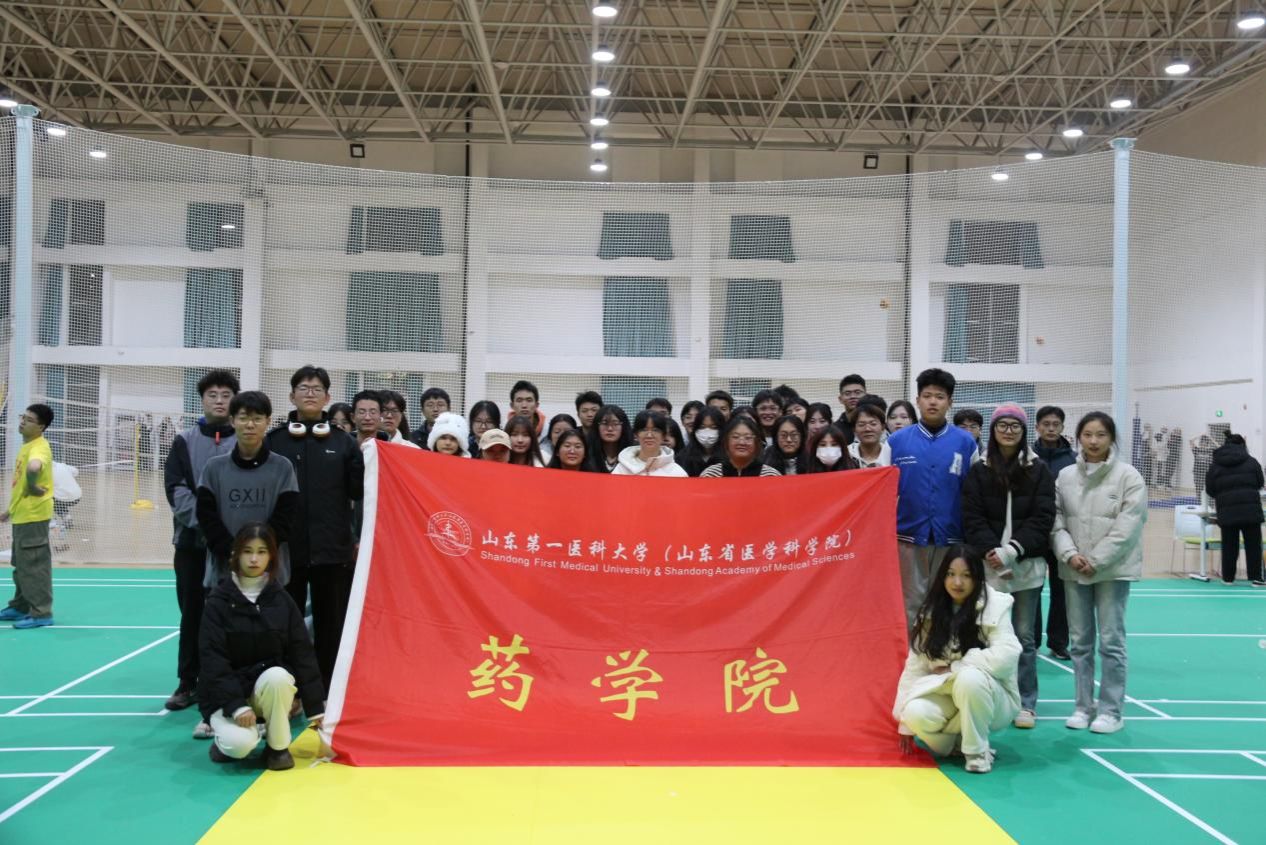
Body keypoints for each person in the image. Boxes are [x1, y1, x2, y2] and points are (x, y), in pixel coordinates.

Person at [265, 366, 365, 694]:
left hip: (332, 551)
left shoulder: (344, 443)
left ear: (328, 397)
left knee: (331, 625)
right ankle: (289, 686)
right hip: (286, 551)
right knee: (286, 622)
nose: (310, 393)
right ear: (292, 395)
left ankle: (328, 687)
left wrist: (371, 457)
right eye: (304, 388)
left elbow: (359, 491)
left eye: (317, 389)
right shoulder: (274, 442)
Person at [198, 523, 324, 771]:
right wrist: (236, 705)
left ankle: (278, 749)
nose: (254, 559)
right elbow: (213, 660)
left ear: (272, 557)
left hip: (264, 690)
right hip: (226, 697)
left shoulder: (282, 600)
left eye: (262, 552)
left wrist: (315, 707)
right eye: (247, 551)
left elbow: (302, 653)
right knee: (239, 746)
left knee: (278, 676)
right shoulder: (217, 602)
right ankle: (225, 742)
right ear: (235, 555)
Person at [961, 405, 1056, 730]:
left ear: (1024, 430)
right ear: (994, 430)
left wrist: (1012, 551)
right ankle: (988, 697)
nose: (1009, 430)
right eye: (1002, 425)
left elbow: (1043, 516)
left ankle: (1025, 703)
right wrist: (991, 551)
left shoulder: (1038, 469)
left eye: (1015, 425)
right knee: (986, 633)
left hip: (1026, 566)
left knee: (1024, 637)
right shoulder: (979, 469)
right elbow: (971, 515)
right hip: (988, 567)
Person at [1052, 411, 1147, 734]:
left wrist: (1097, 559)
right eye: (1088, 434)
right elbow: (1056, 521)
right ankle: (1083, 707)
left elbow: (1128, 526)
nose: (1093, 441)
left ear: (1112, 438)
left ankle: (1111, 711)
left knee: (1111, 641)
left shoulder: (1129, 477)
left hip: (1112, 570)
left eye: (1101, 435)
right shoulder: (1065, 476)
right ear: (1078, 437)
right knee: (1079, 642)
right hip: (1073, 569)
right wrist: (1070, 554)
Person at [893, 546, 1021, 774]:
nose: (957, 582)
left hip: (994, 697)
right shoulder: (930, 610)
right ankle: (954, 746)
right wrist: (904, 723)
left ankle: (976, 752)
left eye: (966, 575)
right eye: (951, 574)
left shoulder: (996, 605)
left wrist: (956, 667)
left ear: (977, 577)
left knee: (969, 678)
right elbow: (915, 667)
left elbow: (1007, 656)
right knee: (914, 713)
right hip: (947, 694)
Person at [159, 369, 238, 710]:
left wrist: (229, 534)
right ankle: (188, 681)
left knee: (233, 614)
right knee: (192, 613)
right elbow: (176, 490)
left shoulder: (246, 439)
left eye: (226, 395)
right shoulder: (184, 441)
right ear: (202, 400)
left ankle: (230, 679)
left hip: (234, 548)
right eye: (212, 395)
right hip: (192, 545)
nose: (219, 401)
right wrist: (209, 528)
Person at [889, 368, 979, 627]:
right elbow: (881, 494)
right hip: (907, 538)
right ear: (917, 400)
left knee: (948, 601)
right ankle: (911, 652)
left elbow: (975, 494)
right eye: (927, 396)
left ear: (950, 402)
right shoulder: (896, 442)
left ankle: (944, 650)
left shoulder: (966, 443)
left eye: (939, 397)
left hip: (951, 538)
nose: (933, 402)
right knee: (909, 604)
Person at [2, 403, 57, 630]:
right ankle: (21, 605)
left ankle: (41, 613)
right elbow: (21, 485)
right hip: (22, 515)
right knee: (22, 565)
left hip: (34, 517)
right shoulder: (27, 445)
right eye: (22, 417)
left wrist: (34, 486)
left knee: (34, 566)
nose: (23, 422)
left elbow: (34, 468)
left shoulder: (39, 448)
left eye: (29, 420)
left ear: (41, 427)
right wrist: (9, 512)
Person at [1032, 405, 1074, 660]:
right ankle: (1032, 640)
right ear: (1037, 427)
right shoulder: (1027, 456)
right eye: (1046, 424)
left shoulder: (1073, 459)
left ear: (1062, 427)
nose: (1050, 428)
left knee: (1062, 591)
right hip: (1034, 534)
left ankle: (1059, 642)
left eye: (1055, 424)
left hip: (1063, 534)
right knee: (1032, 588)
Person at [1204, 432, 1265, 586]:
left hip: (1227, 511)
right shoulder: (1252, 462)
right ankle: (1256, 578)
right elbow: (1260, 483)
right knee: (1253, 545)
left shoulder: (1215, 465)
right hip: (1251, 510)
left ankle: (1228, 578)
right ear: (1242, 445)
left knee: (1229, 546)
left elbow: (1210, 489)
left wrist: (1223, 495)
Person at [612, 411, 688, 477]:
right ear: (636, 435)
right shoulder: (621, 470)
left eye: (655, 430)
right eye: (644, 430)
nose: (649, 435)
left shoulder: (677, 473)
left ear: (664, 435)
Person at [701, 416, 781, 477]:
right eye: (735, 437)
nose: (742, 442)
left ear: (757, 442)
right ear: (726, 441)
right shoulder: (710, 475)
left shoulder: (771, 476)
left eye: (748, 437)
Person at [677, 406, 725, 477]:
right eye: (702, 427)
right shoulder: (682, 457)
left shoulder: (729, 457)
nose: (707, 432)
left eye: (713, 427)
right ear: (695, 429)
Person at [588, 405, 633, 473]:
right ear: (597, 426)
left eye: (615, 423)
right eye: (604, 423)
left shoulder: (634, 452)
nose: (610, 429)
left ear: (623, 426)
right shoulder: (587, 451)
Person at [848, 402, 891, 468]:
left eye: (873, 424)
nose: (867, 429)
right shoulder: (847, 454)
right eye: (861, 425)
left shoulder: (891, 454)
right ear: (854, 429)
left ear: (883, 427)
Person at [836, 374, 867, 442]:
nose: (853, 396)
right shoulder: (834, 430)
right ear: (840, 399)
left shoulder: (874, 426)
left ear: (866, 395)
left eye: (857, 392)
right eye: (847, 393)